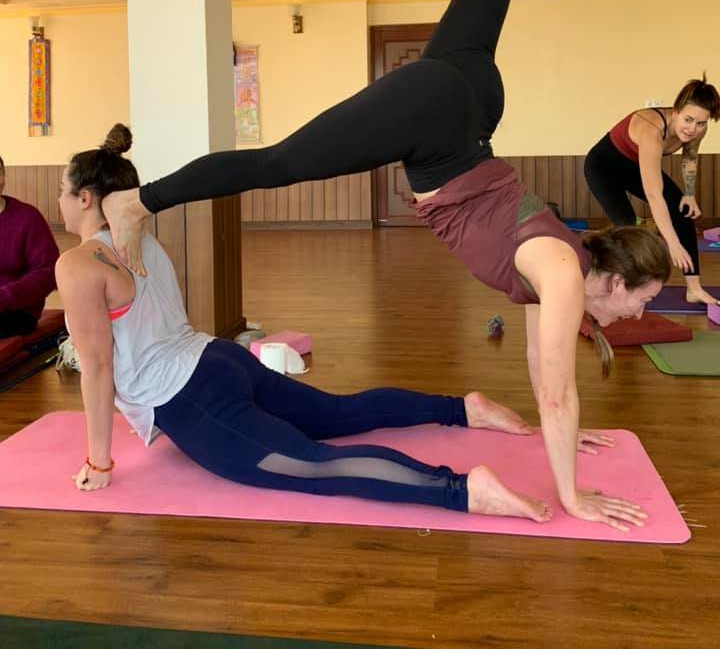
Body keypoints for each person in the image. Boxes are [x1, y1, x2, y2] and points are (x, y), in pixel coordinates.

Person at [104, 0, 720, 529]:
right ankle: (140, 201)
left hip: (468, 105)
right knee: (277, 164)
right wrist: (573, 496)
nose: (633, 316)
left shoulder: (559, 269)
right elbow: (557, 392)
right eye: (637, 302)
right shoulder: (560, 272)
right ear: (613, 279)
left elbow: (545, 371)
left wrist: (565, 434)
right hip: (439, 122)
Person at [55, 125, 607, 526]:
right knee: (339, 413)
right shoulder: (140, 237)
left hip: (188, 397)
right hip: (218, 359)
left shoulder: (79, 264)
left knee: (313, 464)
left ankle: (461, 489)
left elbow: (98, 367)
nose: (59, 200)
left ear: (84, 197)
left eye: (62, 189)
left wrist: (99, 461)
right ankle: (461, 409)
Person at [585, 76, 720, 305]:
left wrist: (689, 194)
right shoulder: (652, 129)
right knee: (627, 225)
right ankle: (610, 284)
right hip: (602, 167)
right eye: (688, 119)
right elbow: (654, 195)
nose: (693, 128)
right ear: (676, 111)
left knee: (682, 210)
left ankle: (694, 288)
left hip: (632, 164)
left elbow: (689, 157)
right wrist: (673, 244)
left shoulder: (696, 130)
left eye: (701, 123)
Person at [0, 154, 59, 338]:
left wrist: (5, 297)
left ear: (3, 176)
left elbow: (48, 272)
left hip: (16, 311)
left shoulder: (28, 217)